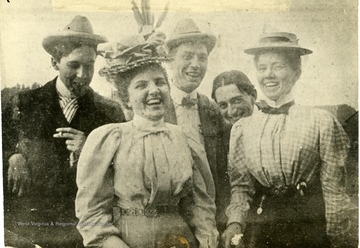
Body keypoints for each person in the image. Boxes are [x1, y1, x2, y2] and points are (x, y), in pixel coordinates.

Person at [75, 32, 219, 248]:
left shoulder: (184, 138)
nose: (154, 90)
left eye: (160, 82)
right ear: (126, 99)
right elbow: (92, 213)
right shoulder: (111, 138)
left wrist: (207, 238)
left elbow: (200, 203)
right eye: (141, 85)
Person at [222, 31, 354, 248]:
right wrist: (235, 222)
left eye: (278, 66)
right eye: (262, 68)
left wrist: (337, 238)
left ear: (297, 71)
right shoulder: (243, 128)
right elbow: (241, 187)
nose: (268, 75)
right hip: (263, 225)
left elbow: (334, 191)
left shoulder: (320, 122)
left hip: (309, 224)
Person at [2, 15, 126, 247]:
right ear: (55, 62)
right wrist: (12, 155)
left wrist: (90, 150)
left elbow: (124, 175)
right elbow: (4, 141)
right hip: (31, 232)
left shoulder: (110, 113)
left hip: (86, 234)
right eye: (74, 65)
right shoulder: (23, 103)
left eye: (89, 66)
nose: (83, 75)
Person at [165, 18, 229, 233]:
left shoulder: (213, 111)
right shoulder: (153, 105)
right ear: (170, 61)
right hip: (167, 217)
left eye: (202, 57)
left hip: (208, 217)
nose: (195, 64)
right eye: (187, 56)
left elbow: (223, 175)